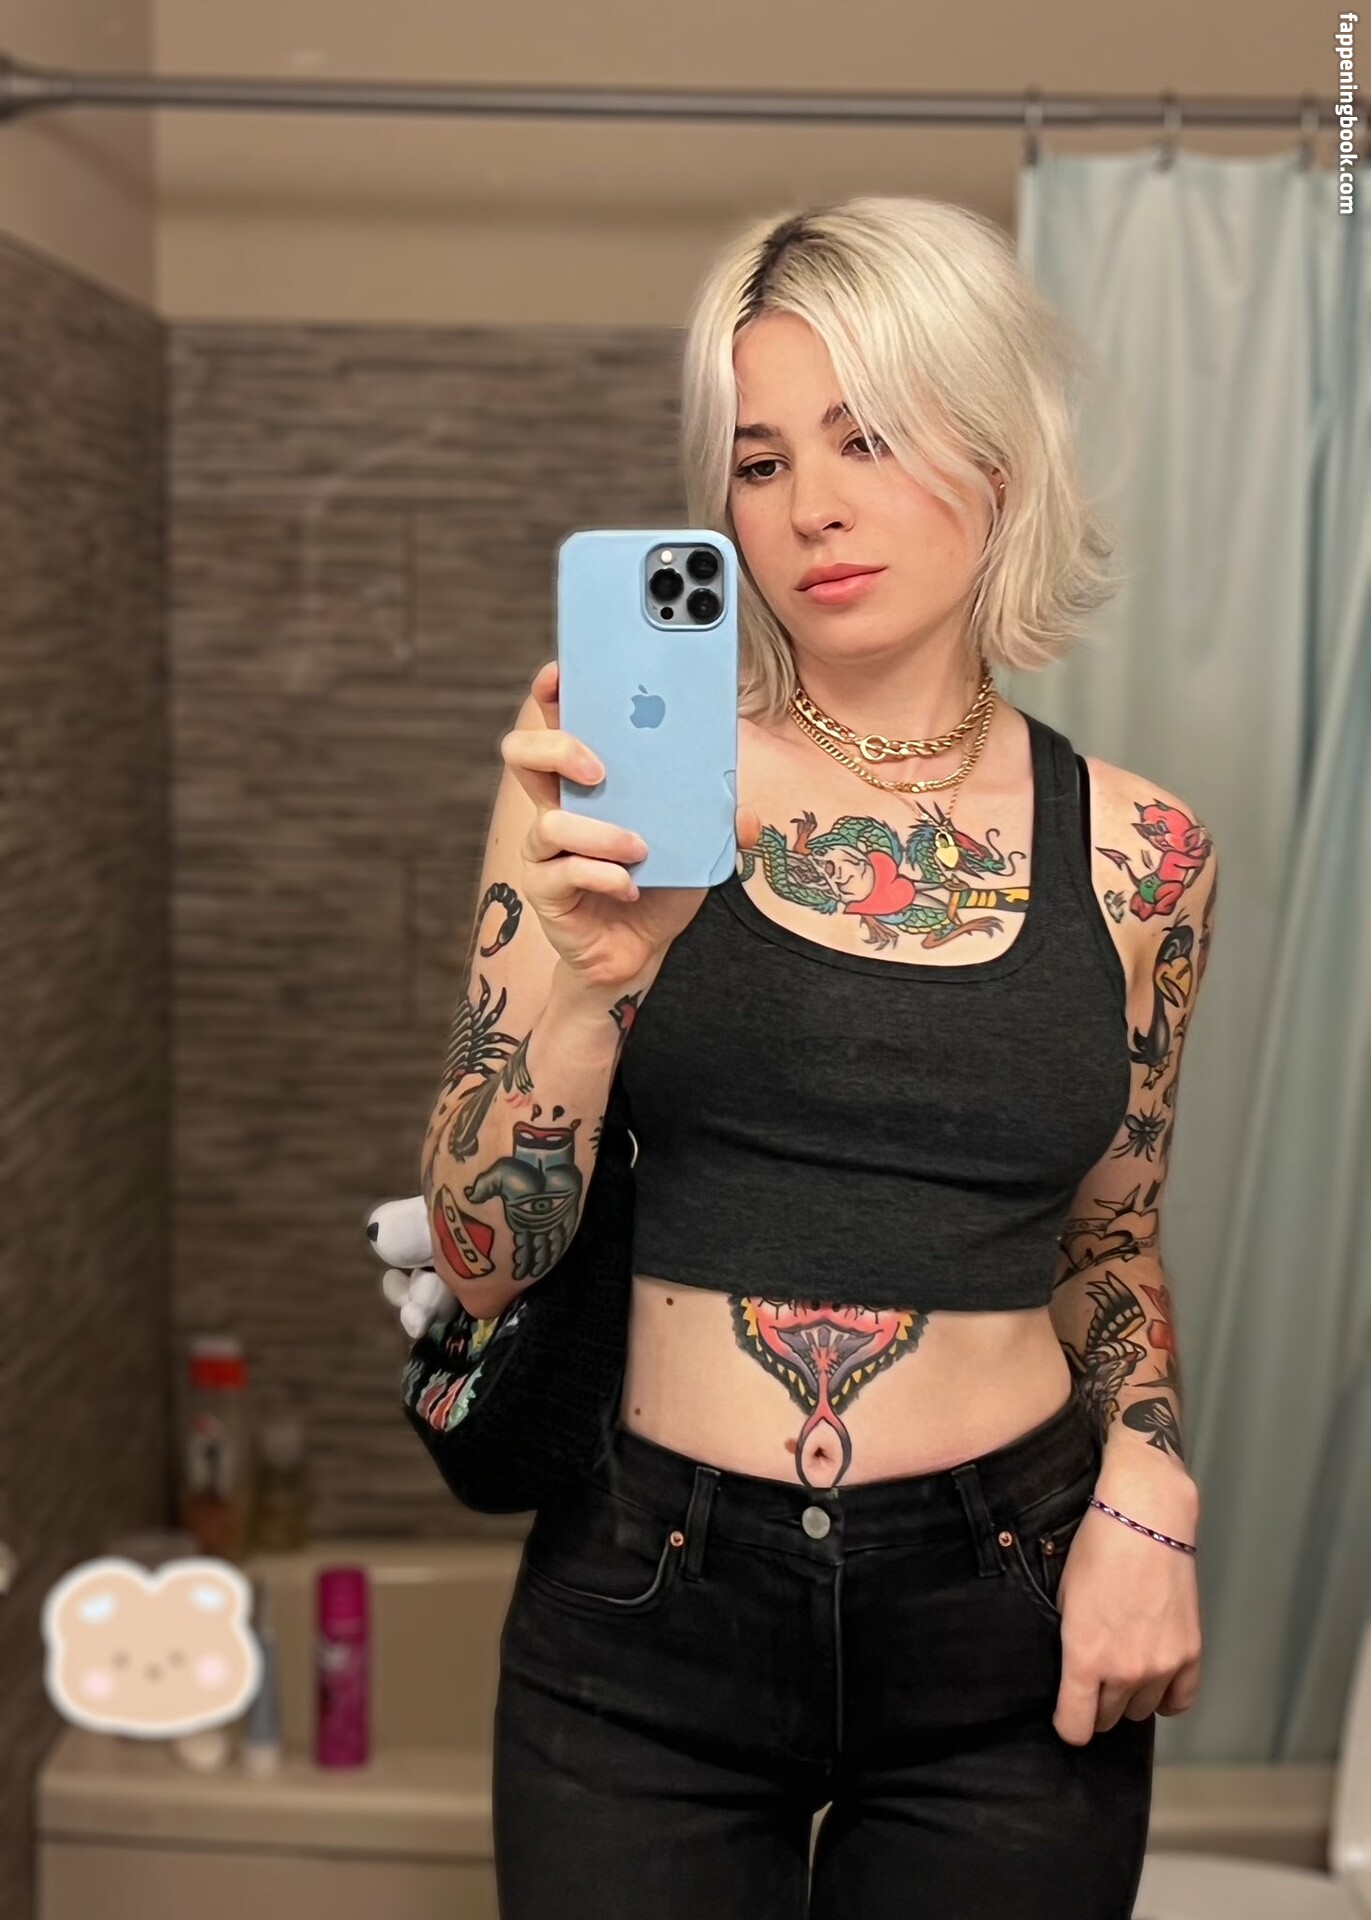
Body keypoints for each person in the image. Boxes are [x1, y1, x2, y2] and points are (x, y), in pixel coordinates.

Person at [421, 195, 1217, 1919]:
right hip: (643, 1606)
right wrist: (590, 990)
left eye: (868, 437)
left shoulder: (1145, 856)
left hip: (1008, 1616)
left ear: (996, 454)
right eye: (762, 461)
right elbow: (482, 1263)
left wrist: (1153, 1484)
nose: (811, 509)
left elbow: (1109, 1240)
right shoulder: (603, 796)